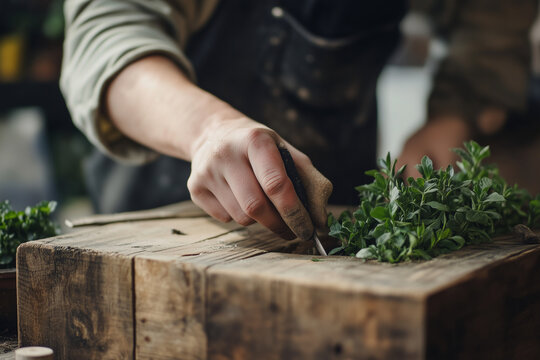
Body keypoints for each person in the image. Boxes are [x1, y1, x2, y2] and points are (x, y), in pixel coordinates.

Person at [60, 0, 537, 240]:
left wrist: (454, 111)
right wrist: (207, 129)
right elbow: (107, 33)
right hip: (162, 210)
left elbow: (492, 19)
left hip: (336, 214)